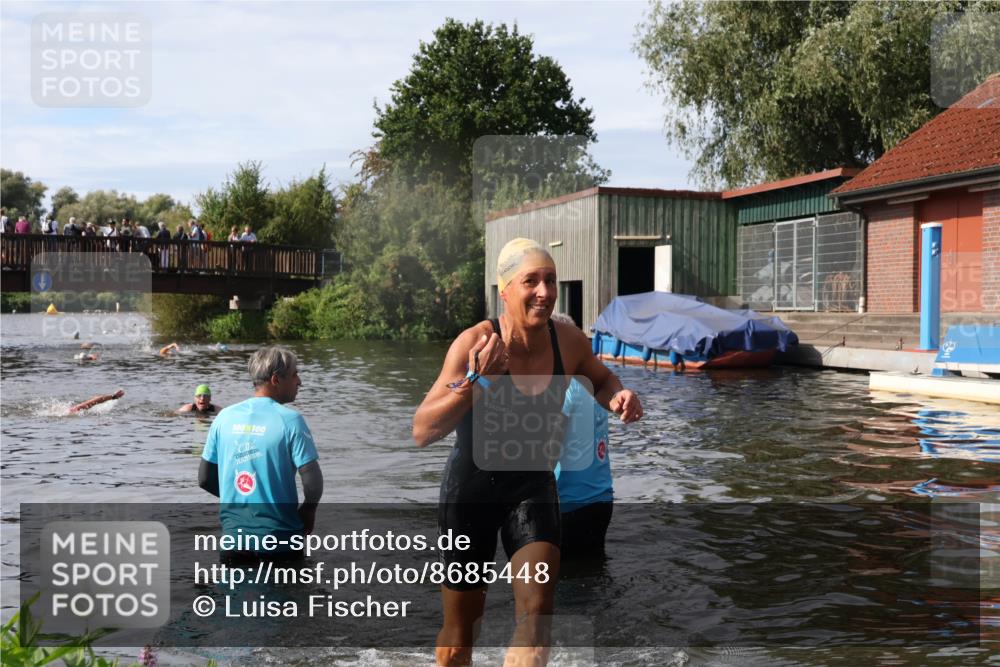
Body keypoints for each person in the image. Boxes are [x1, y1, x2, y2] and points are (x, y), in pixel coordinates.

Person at [413, 237, 643, 667]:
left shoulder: (570, 340)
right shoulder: (474, 342)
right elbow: (423, 430)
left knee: (537, 616)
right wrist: (478, 382)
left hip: (534, 488)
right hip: (470, 495)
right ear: (504, 291)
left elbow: (602, 377)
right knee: (459, 638)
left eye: (551, 280)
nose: (545, 292)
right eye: (531, 281)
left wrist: (618, 395)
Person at [198, 346, 323, 558]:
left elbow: (205, 479)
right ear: (276, 379)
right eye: (294, 374)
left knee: (234, 590)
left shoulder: (224, 417)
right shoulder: (290, 421)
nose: (299, 381)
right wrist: (309, 509)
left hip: (233, 544)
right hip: (280, 544)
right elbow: (312, 481)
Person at [549, 315, 614, 559]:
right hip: (601, 499)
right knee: (593, 572)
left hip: (568, 505)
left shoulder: (564, 386)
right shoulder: (595, 384)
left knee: (560, 585)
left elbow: (548, 451)